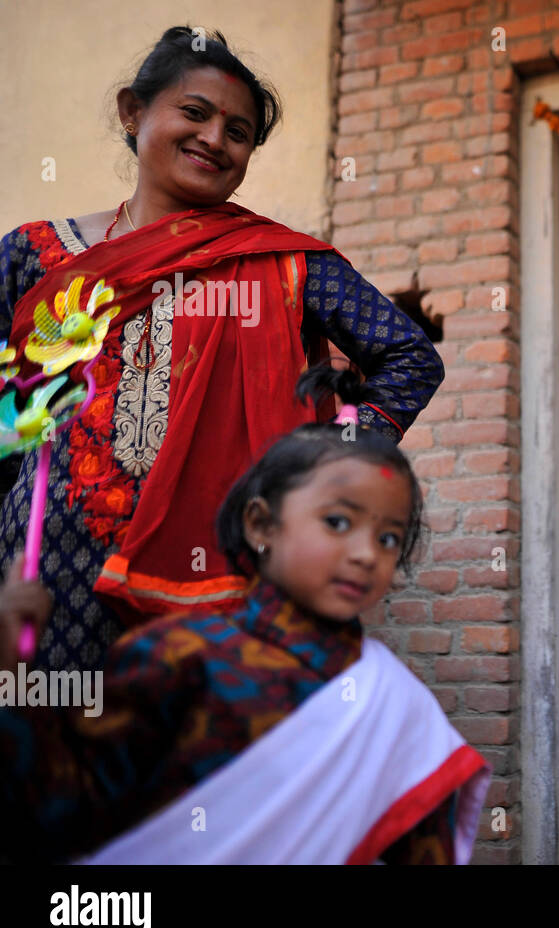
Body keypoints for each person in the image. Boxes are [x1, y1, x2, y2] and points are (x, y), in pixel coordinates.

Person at [0, 26, 443, 671]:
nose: (214, 138)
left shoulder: (283, 261)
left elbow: (409, 359)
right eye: (195, 112)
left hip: (217, 580)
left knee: (200, 763)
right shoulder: (34, 257)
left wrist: (321, 478)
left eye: (238, 132)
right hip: (48, 577)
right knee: (53, 761)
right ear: (133, 110)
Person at [0, 366, 489, 864]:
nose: (367, 554)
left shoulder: (400, 708)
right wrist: (9, 672)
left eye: (389, 537)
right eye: (337, 522)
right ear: (261, 524)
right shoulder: (176, 656)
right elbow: (59, 809)